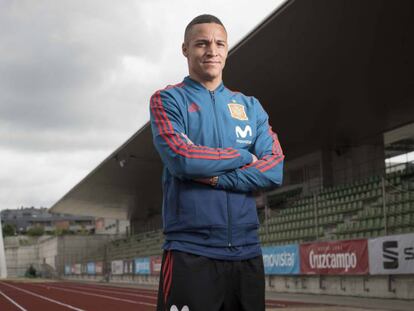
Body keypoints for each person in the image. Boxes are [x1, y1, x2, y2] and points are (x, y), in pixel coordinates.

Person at [149, 14, 284, 311]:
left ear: (226, 49)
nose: (212, 50)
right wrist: (243, 157)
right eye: (201, 43)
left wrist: (217, 177)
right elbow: (182, 159)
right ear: (185, 49)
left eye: (219, 43)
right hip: (191, 252)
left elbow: (274, 169)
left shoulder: (250, 107)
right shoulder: (168, 100)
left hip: (247, 253)